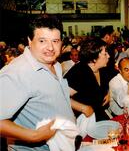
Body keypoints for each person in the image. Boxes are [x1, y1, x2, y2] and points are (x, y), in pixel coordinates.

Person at [0, 14, 75, 150]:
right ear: (30, 41)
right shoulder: (17, 72)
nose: (50, 47)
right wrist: (34, 136)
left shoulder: (55, 64)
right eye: (42, 41)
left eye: (55, 41)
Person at [64, 37, 111, 121]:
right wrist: (83, 108)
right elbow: (61, 96)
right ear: (94, 58)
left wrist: (108, 93)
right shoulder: (79, 72)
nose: (109, 56)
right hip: (82, 119)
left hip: (98, 113)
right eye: (105, 54)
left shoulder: (102, 69)